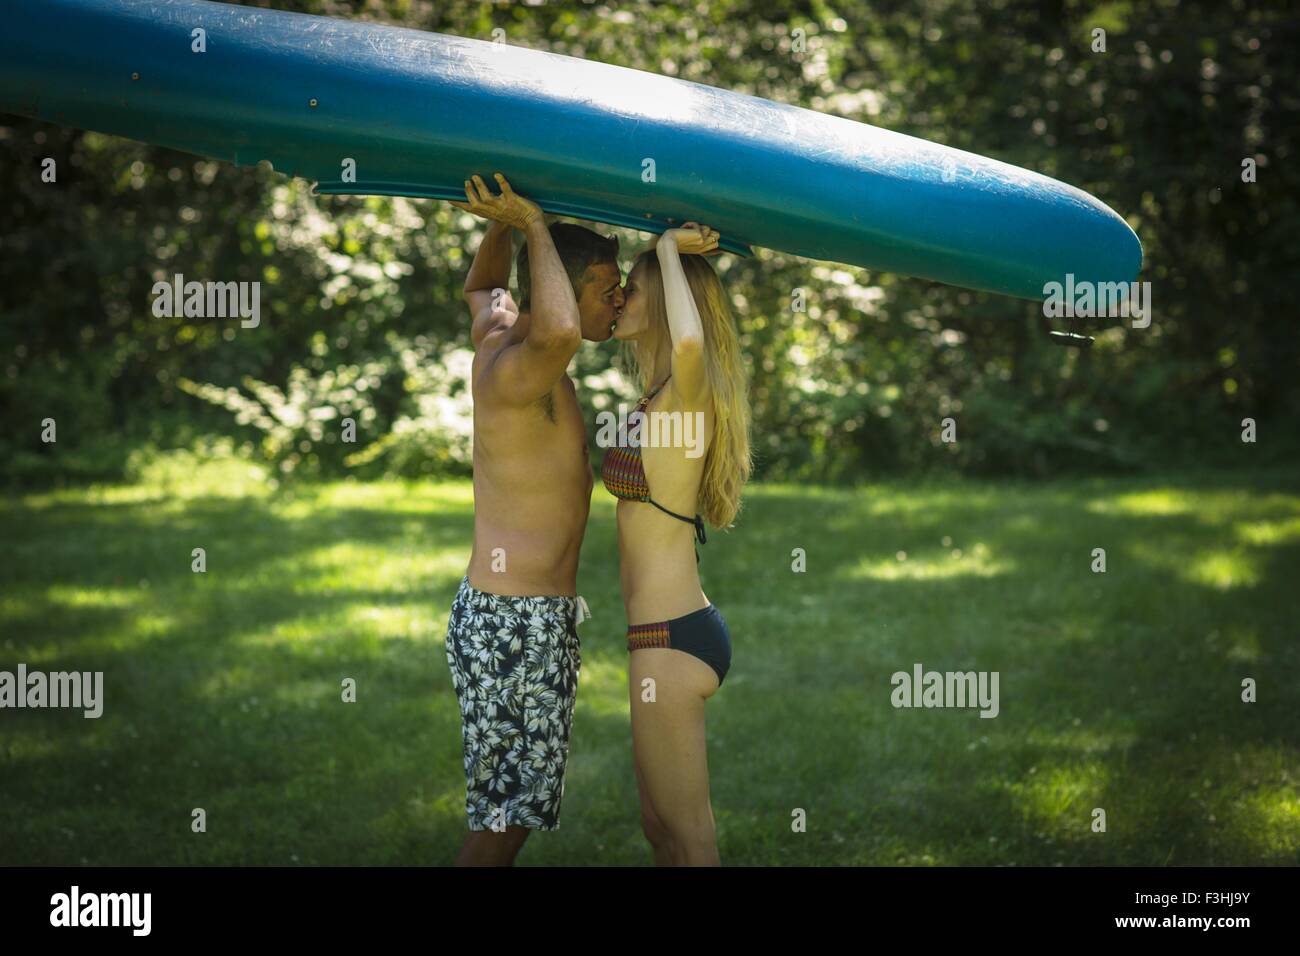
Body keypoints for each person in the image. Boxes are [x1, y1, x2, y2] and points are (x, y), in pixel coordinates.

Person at [444, 173, 623, 866]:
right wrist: (533, 224)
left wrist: (504, 226)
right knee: (504, 821)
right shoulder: (521, 368)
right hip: (515, 625)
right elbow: (562, 327)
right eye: (606, 288)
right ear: (566, 289)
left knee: (512, 812)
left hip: (521, 619)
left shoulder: (500, 336)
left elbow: (480, 291)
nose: (619, 299)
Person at [602, 222, 752, 865]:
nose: (618, 299)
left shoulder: (689, 394)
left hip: (673, 641)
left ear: (664, 297)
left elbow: (691, 339)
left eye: (631, 290)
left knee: (690, 839)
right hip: (654, 640)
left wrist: (665, 249)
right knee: (658, 829)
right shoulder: (657, 395)